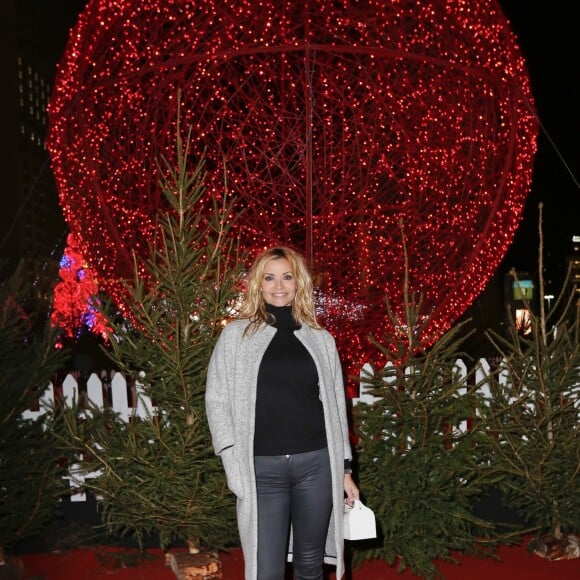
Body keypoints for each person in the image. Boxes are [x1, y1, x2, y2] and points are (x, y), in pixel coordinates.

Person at [205, 246, 359, 580]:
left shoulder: (320, 339)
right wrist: (231, 458)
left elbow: (335, 407)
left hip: (317, 465)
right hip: (261, 471)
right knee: (266, 569)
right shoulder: (235, 336)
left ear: (298, 282)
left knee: (309, 565)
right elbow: (216, 400)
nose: (279, 285)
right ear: (257, 284)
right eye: (269, 277)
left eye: (287, 276)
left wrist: (344, 469)